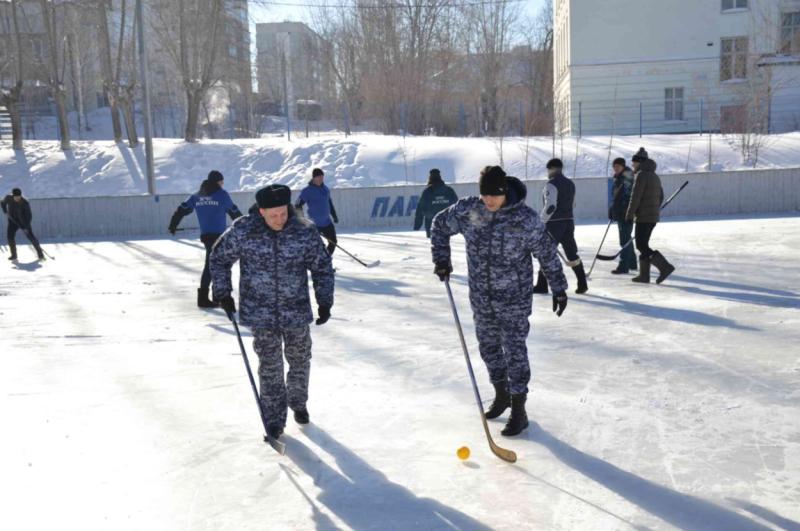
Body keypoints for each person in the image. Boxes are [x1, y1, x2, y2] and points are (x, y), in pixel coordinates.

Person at [431, 166, 568, 437]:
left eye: (494, 195)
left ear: (504, 192)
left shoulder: (524, 219)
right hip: (481, 297)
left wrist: (559, 287)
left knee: (514, 351)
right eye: (484, 194)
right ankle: (501, 394)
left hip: (514, 299)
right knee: (489, 348)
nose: (489, 200)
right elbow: (438, 225)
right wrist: (442, 259)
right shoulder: (470, 211)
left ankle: (519, 409)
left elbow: (547, 252)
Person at [210, 184, 334, 440]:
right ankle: (275, 420)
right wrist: (222, 292)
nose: (279, 220)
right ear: (262, 212)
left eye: (283, 213)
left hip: (296, 310)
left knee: (300, 360)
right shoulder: (244, 230)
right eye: (273, 215)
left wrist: (324, 301)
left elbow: (321, 266)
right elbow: (219, 258)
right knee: (270, 367)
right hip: (260, 312)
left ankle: (298, 402)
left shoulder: (304, 231)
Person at [168, 170, 242, 308]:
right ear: (217, 181)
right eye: (221, 181)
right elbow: (234, 211)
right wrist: (244, 227)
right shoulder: (222, 195)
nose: (222, 183)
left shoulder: (197, 196)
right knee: (214, 264)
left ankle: (214, 296)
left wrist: (173, 224)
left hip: (206, 235)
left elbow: (181, 209)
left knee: (213, 263)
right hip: (219, 236)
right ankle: (205, 298)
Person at [533, 158, 588, 294]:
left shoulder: (551, 184)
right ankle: (582, 283)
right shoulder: (570, 184)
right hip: (569, 221)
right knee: (571, 252)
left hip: (554, 224)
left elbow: (550, 206)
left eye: (548, 170)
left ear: (551, 169)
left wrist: (541, 222)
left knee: (546, 253)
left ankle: (541, 285)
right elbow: (573, 204)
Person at [626, 148, 675, 284]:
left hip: (644, 217)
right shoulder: (654, 176)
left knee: (641, 245)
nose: (632, 165)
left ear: (639, 162)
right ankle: (644, 276)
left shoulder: (642, 175)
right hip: (652, 217)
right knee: (643, 244)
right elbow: (661, 197)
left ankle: (665, 267)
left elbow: (635, 197)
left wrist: (629, 215)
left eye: (634, 162)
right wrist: (654, 209)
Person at [296, 168, 339, 255]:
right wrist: (301, 219)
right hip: (314, 224)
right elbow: (298, 204)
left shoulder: (326, 189)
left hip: (327, 222)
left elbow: (329, 203)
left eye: (322, 177)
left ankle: (325, 258)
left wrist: (334, 215)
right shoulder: (307, 191)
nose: (321, 179)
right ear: (314, 178)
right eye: (318, 177)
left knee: (333, 242)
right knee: (315, 246)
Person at [609, 157, 637, 274]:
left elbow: (627, 198)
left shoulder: (627, 178)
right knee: (626, 238)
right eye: (614, 167)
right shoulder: (619, 178)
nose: (615, 169)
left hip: (626, 214)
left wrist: (625, 212)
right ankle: (632, 262)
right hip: (621, 213)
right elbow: (616, 198)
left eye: (618, 166)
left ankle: (623, 266)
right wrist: (612, 210)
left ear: (623, 166)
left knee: (624, 240)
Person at [1, 188, 44, 261]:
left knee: (30, 236)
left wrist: (25, 227)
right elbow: (2, 203)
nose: (17, 198)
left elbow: (29, 216)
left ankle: (40, 254)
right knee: (10, 236)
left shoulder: (25, 203)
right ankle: (14, 255)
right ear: (13, 196)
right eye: (16, 197)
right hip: (12, 220)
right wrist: (5, 211)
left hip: (24, 221)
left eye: (19, 197)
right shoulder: (8, 198)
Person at [413, 168, 458, 238]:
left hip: (431, 225)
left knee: (433, 246)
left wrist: (417, 226)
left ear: (430, 178)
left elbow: (420, 210)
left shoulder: (427, 192)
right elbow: (457, 207)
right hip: (446, 224)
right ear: (440, 177)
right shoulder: (449, 190)